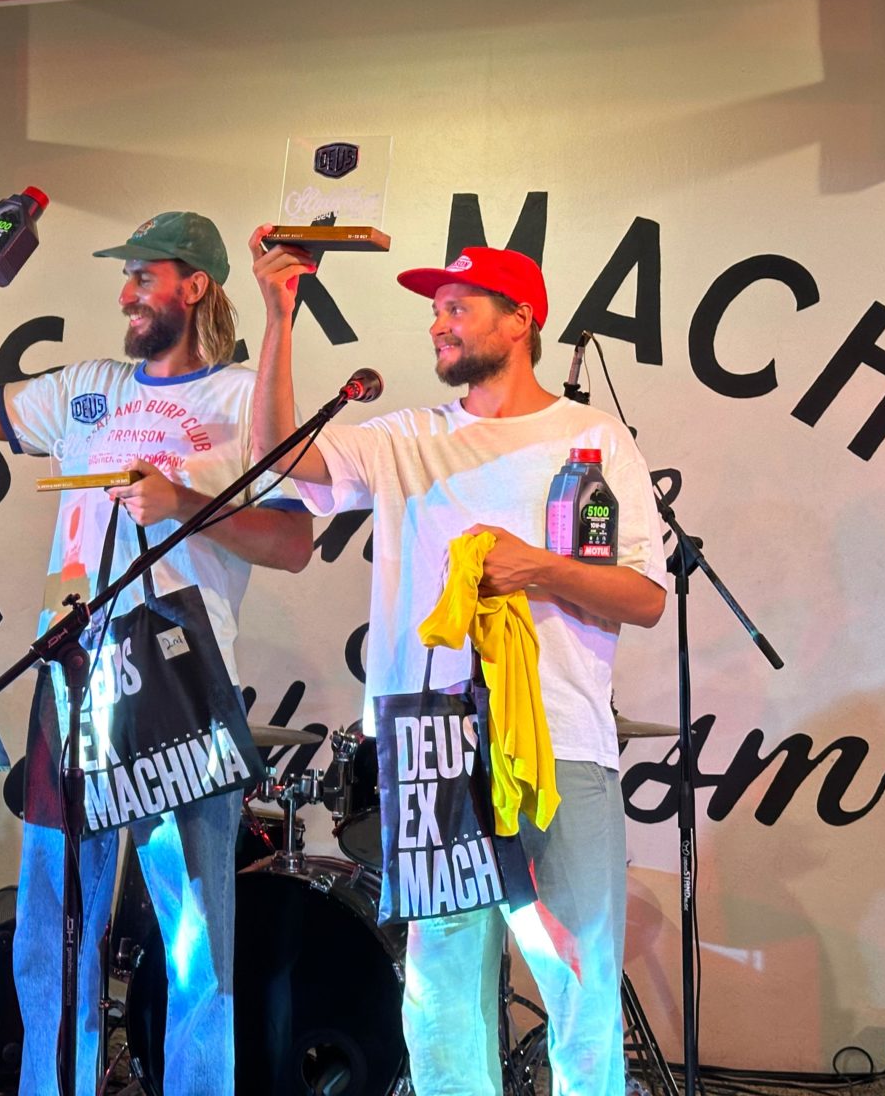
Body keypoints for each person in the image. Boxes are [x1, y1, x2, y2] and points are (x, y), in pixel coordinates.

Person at [249, 235, 668, 1096]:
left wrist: (540, 568)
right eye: (435, 309)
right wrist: (279, 316)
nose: (437, 324)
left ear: (520, 321)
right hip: (430, 747)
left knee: (578, 979)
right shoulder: (408, 437)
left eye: (456, 307)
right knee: (441, 992)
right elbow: (282, 457)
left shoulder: (591, 439)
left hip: (559, 742)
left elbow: (645, 596)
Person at [0, 209, 312, 1095]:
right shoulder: (90, 387)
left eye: (144, 276)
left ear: (195, 285)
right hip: (70, 673)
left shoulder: (241, 399)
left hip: (179, 681)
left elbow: (293, 542)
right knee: (53, 927)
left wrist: (184, 504)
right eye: (127, 277)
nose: (126, 294)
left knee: (194, 939)